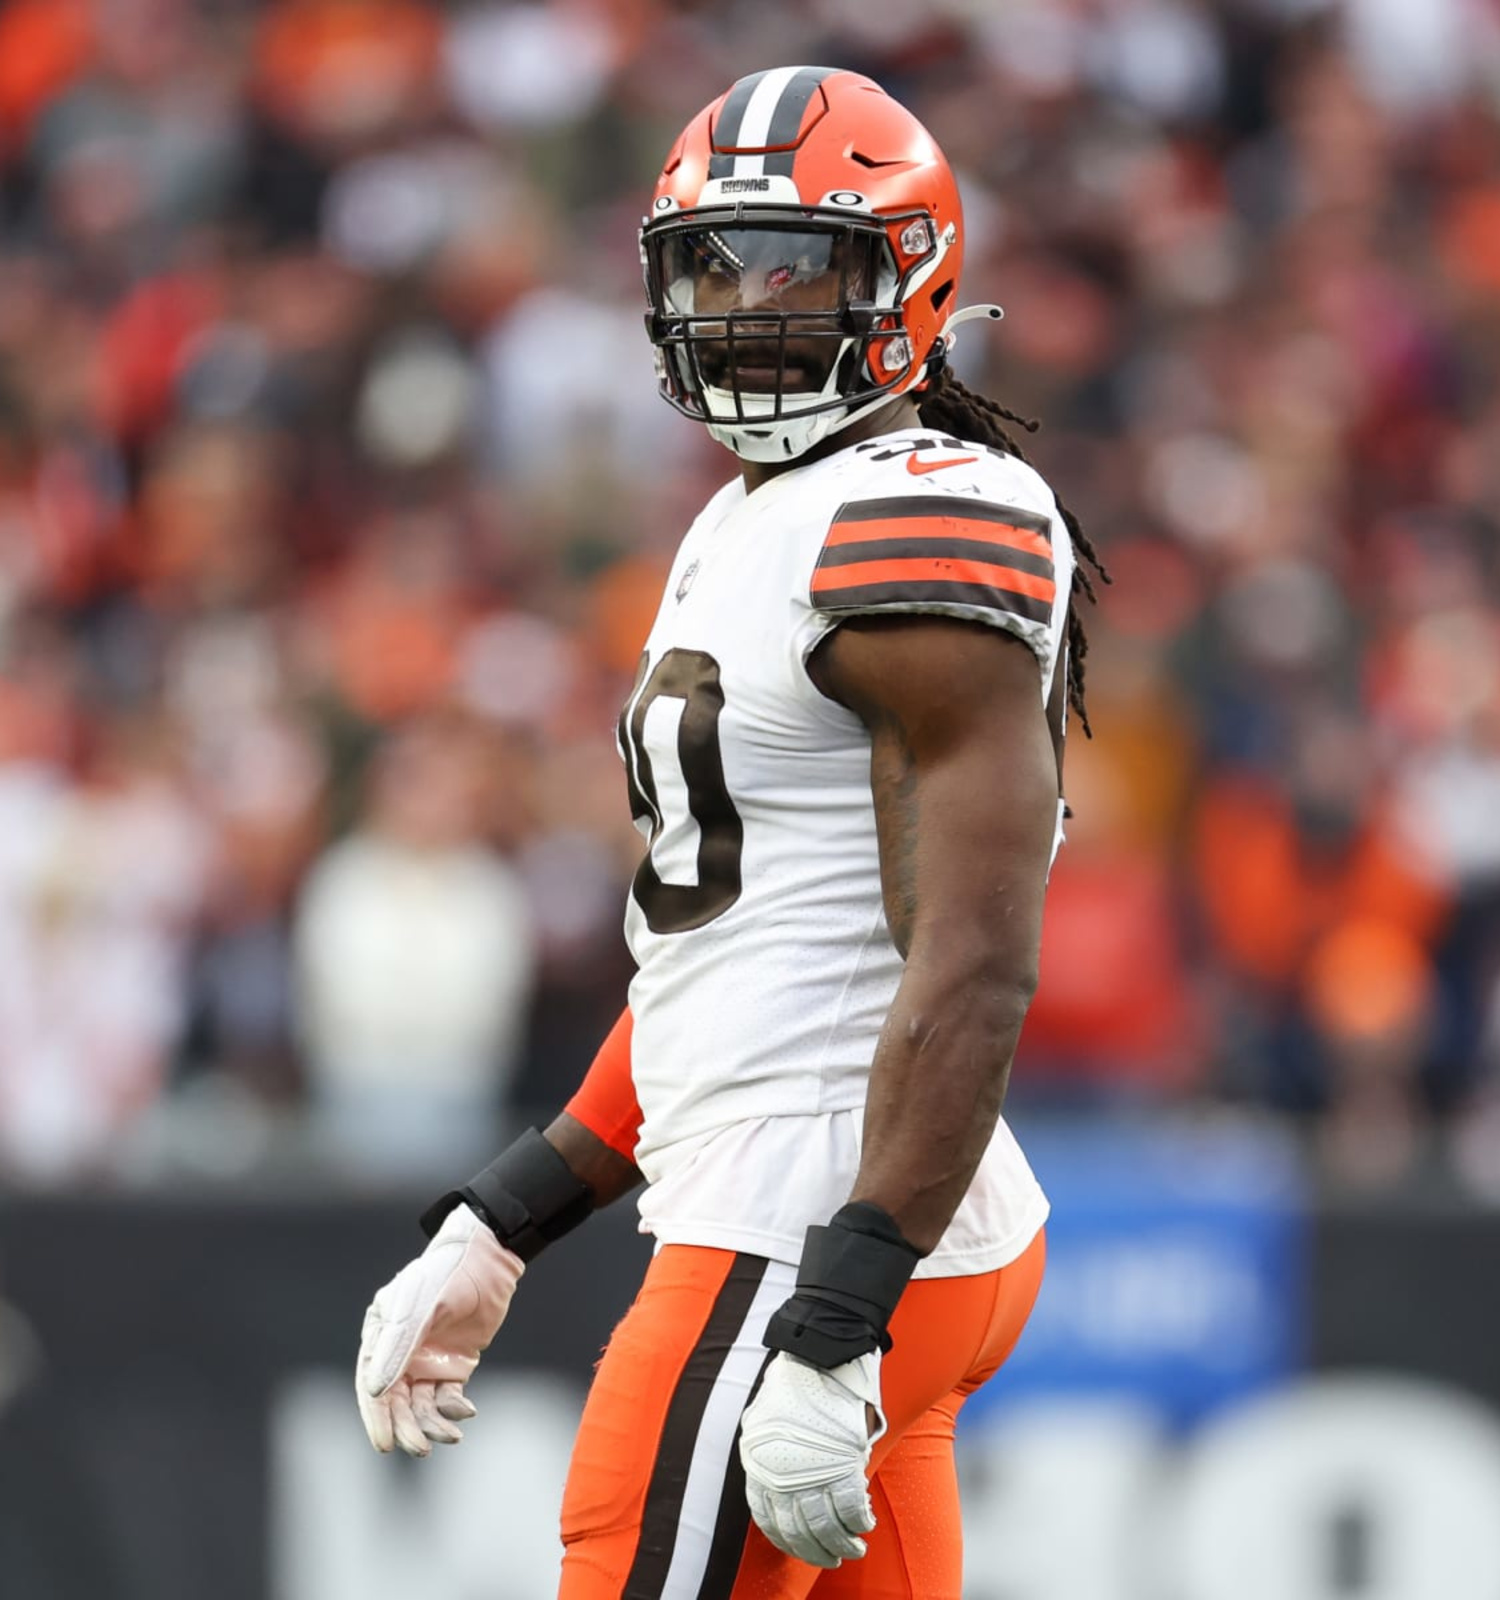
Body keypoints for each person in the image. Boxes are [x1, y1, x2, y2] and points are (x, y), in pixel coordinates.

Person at [354, 65, 1108, 1599]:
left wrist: (836, 1315)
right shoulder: (751, 513)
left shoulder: (925, 509)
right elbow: (726, 944)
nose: (745, 307)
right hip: (830, 1192)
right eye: (714, 265)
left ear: (908, 279)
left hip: (814, 1215)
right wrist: (505, 1220)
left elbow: (971, 964)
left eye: (797, 268)